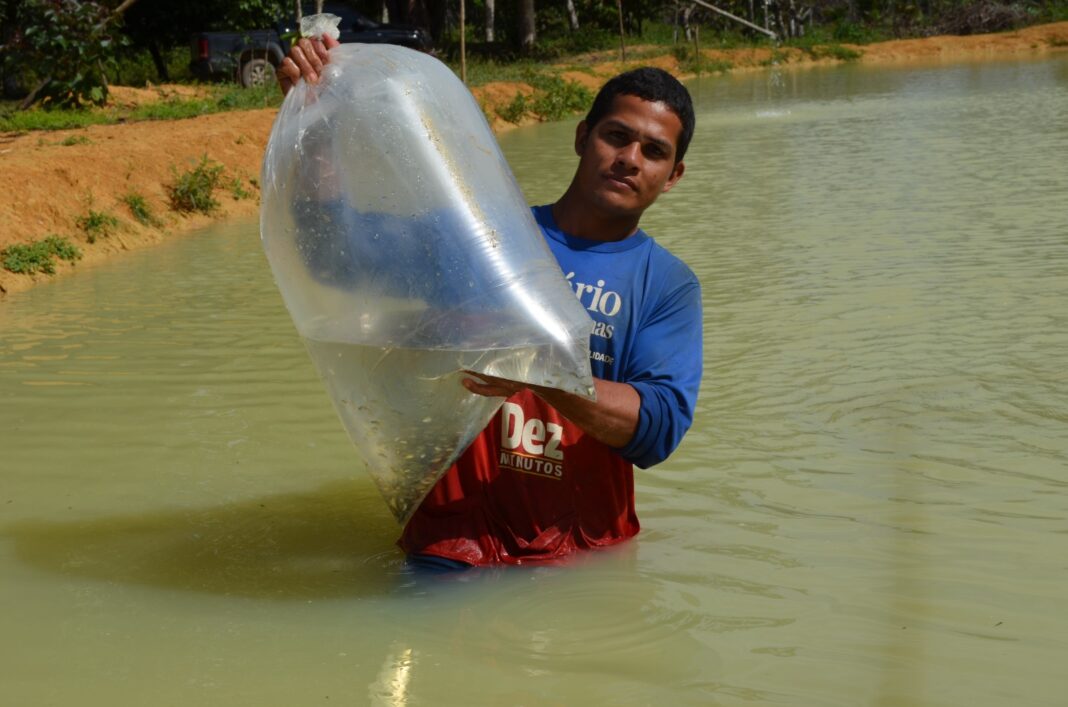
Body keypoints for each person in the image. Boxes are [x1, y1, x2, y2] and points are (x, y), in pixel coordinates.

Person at [279, 36, 703, 567]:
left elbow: (656, 431)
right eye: (616, 136)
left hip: (579, 554)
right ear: (581, 137)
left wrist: (541, 374)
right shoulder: (479, 237)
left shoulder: (666, 284)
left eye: (654, 151)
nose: (629, 160)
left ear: (673, 177)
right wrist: (316, 116)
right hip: (452, 542)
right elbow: (335, 254)